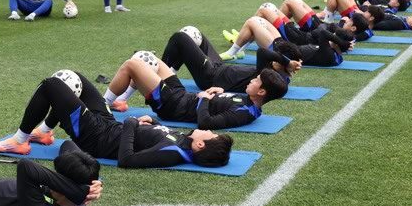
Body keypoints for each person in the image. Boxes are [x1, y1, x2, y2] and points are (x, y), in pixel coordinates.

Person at [0, 73, 234, 168]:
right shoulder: (182, 142)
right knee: (74, 79)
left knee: (51, 85)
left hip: (96, 137)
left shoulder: (173, 153)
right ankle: (44, 131)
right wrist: (150, 123)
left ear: (200, 145)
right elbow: (150, 137)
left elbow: (127, 160)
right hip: (107, 124)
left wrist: (131, 123)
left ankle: (20, 141)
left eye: (210, 135)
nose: (208, 131)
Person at [102, 55, 288, 130]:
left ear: (261, 91)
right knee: (148, 58)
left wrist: (205, 99)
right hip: (181, 95)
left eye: (256, 81)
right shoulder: (249, 101)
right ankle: (120, 99)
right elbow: (228, 101)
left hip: (172, 105)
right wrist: (220, 91)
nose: (252, 80)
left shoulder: (245, 113)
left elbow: (206, 123)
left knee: (132, 64)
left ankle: (103, 106)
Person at [159, 28, 302, 95]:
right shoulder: (276, 73)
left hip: (210, 77)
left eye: (278, 58)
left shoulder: (267, 75)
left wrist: (287, 62)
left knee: (180, 37)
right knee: (194, 33)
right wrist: (288, 64)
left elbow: (262, 52)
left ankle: (160, 74)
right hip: (219, 67)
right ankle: (170, 72)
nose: (274, 58)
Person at [223, 13, 352, 67]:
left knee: (252, 22)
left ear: (337, 43)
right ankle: (239, 49)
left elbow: (324, 33)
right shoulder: (334, 54)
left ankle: (232, 52)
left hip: (280, 52)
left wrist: (342, 42)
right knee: (260, 20)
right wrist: (342, 41)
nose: (332, 36)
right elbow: (326, 33)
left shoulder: (329, 55)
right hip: (285, 46)